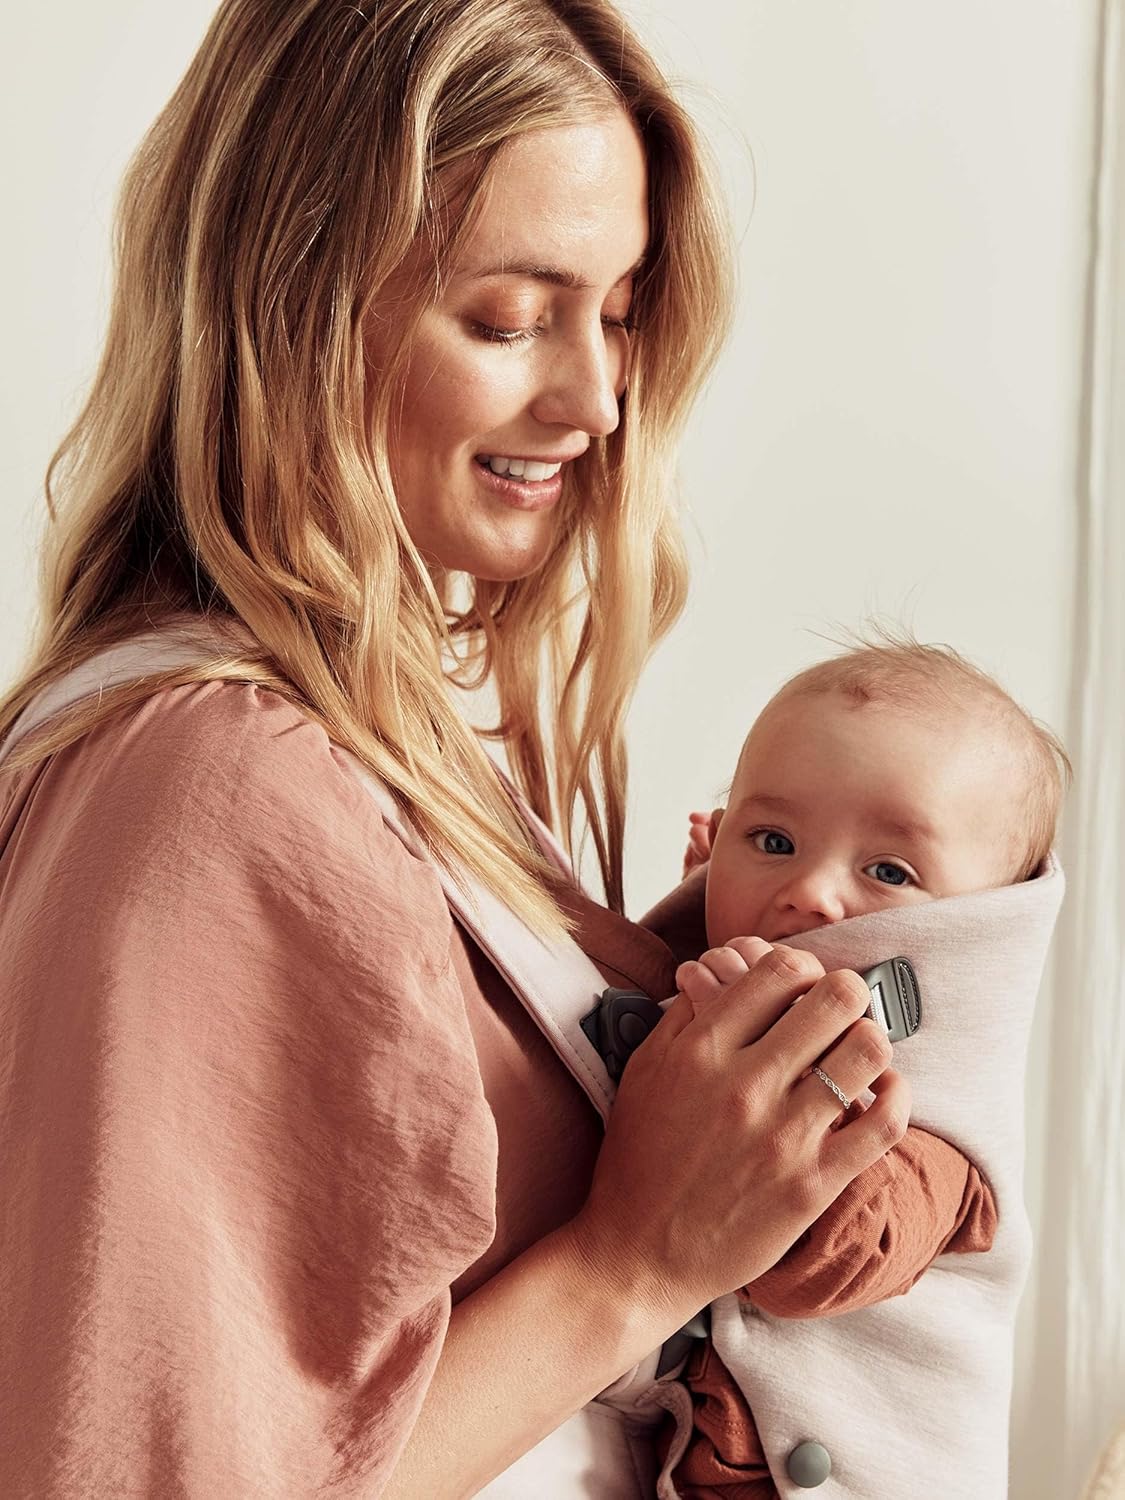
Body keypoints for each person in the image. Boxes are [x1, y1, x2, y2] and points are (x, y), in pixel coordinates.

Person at [0, 3, 912, 1497]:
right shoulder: (214, 785)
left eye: (616, 311)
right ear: (289, 300)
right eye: (507, 317)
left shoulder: (349, 736)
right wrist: (635, 1261)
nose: (597, 399)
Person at [638, 639, 1069, 1498]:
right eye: (771, 839)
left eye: (887, 870)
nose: (810, 893)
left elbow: (819, 1261)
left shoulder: (936, 1139)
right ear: (710, 847)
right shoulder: (687, 1006)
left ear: (977, 927)